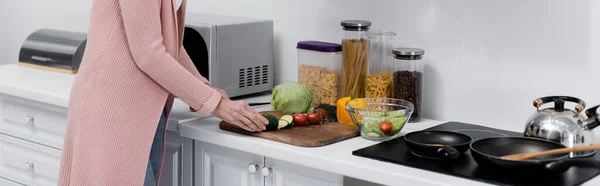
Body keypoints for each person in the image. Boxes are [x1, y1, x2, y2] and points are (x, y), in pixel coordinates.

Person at [57, 0, 268, 185]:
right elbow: (148, 53)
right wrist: (215, 104)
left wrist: (204, 88)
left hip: (143, 110)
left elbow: (165, 43)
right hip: (112, 109)